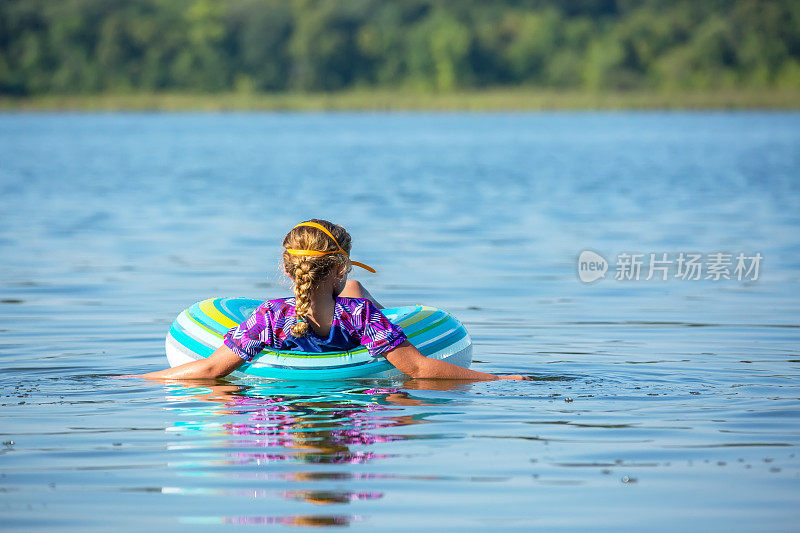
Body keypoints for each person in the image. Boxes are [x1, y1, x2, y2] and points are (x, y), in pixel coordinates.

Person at [142, 219, 529, 381]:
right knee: (360, 292)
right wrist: (500, 378)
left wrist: (132, 379)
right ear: (340, 268)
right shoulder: (359, 315)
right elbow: (419, 369)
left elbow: (210, 370)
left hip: (275, 398)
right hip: (356, 397)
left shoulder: (269, 317)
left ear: (288, 268)